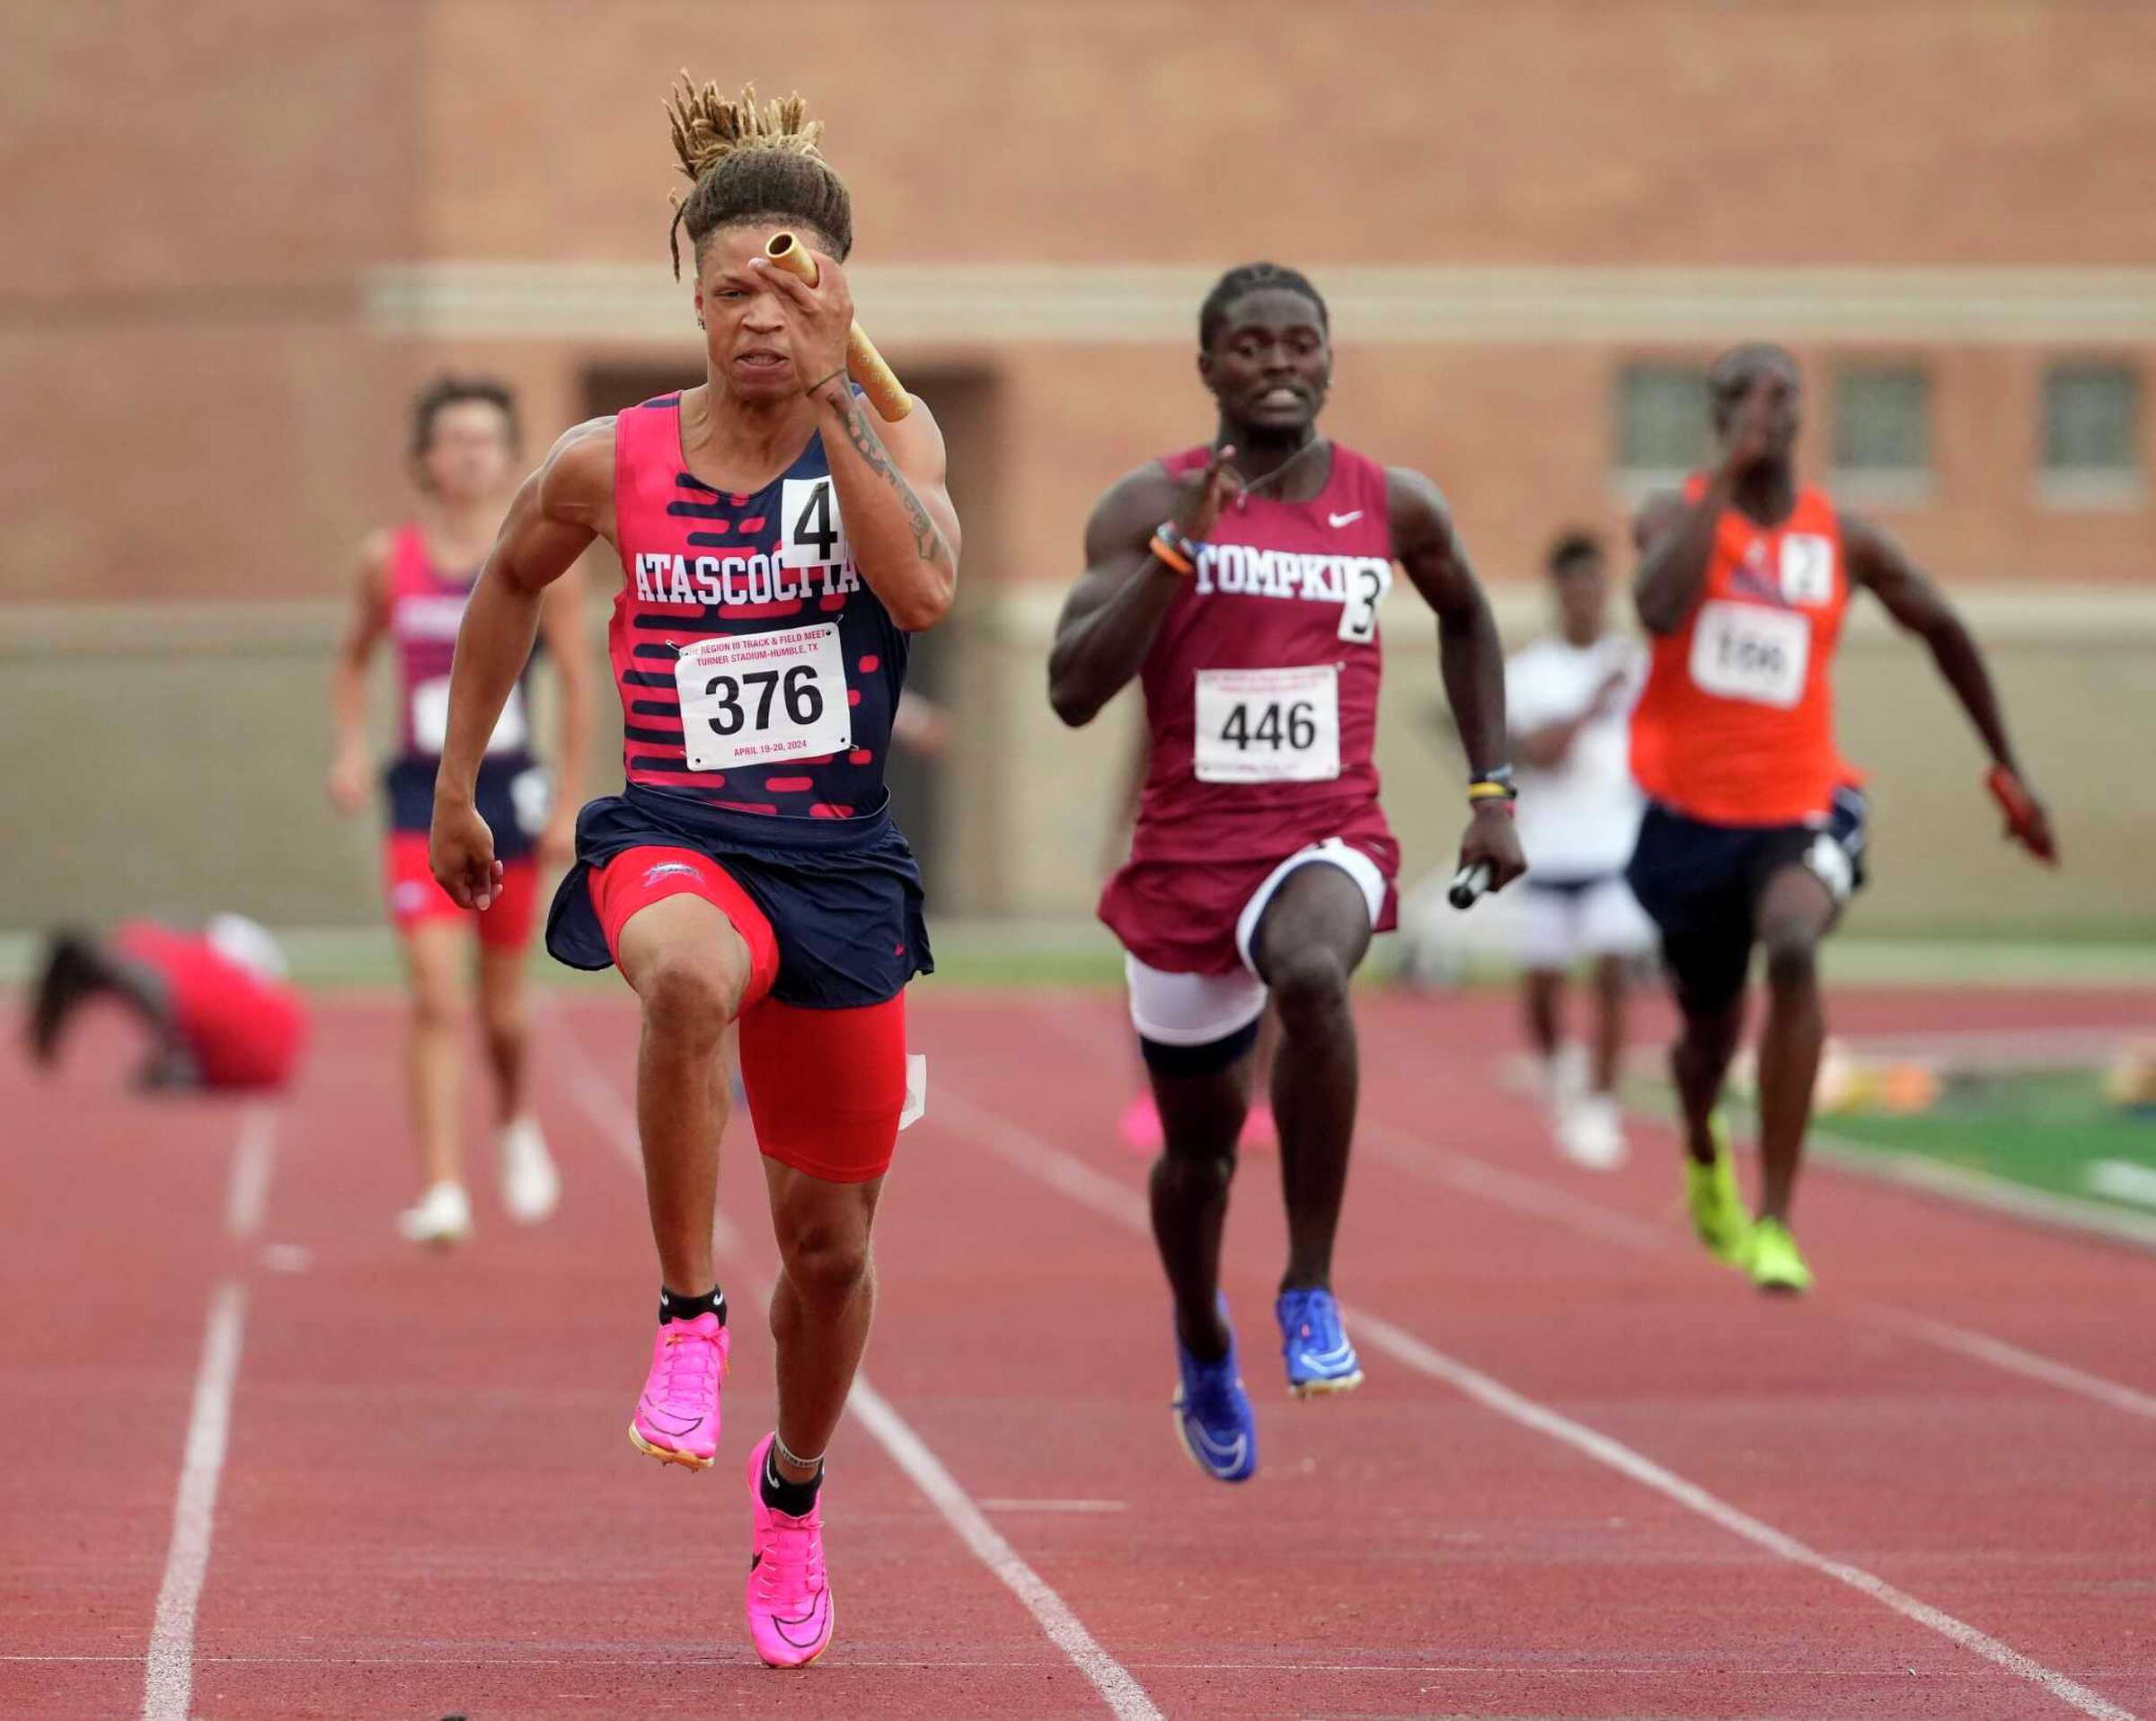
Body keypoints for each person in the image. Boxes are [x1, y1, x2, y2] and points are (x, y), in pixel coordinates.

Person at [428, 79, 958, 1668]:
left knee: (834, 1249)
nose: (756, 319)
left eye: (788, 291)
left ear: (837, 299)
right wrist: (461, 785)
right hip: (680, 838)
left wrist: (853, 387)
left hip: (842, 870)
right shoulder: (616, 458)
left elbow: (922, 589)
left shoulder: (893, 434)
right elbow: (507, 583)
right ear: (694, 297)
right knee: (683, 977)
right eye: (729, 289)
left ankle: (792, 1493)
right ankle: (682, 1316)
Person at [1049, 261, 1524, 1482]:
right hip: (1186, 861)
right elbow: (1070, 691)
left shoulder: (1391, 505)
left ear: (1328, 359)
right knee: (1196, 1158)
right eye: (1249, 346)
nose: (1277, 363)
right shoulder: (1144, 503)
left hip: (1328, 838)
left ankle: (1309, 1285)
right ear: (1208, 368)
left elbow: (1469, 616)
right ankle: (1203, 1336)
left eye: (1298, 343)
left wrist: (1491, 790)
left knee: (1314, 975)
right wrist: (1171, 559)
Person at [1628, 341, 2056, 1294]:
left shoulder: (1842, 539)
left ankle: (1776, 1217)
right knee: (1704, 1040)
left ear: (1804, 414)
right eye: (1743, 395)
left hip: (1803, 800)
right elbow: (1659, 606)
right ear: (1718, 413)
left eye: (1782, 395)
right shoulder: (1674, 513)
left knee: (1791, 941)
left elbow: (1943, 627)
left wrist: (2010, 771)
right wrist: (1727, 480)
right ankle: (1703, 1145)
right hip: (1689, 823)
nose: (1765, 409)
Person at [329, 376, 588, 1247]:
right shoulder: (386, 560)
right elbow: (352, 660)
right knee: (437, 996)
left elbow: (584, 686)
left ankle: (513, 1116)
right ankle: (442, 1185)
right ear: (425, 458)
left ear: (513, 457)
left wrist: (570, 800)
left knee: (504, 1010)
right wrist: (349, 748)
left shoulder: (544, 556)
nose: (470, 455)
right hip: (418, 793)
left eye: (486, 440)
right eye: (454, 440)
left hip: (510, 789)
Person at [1506, 530, 1654, 1169]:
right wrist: (1594, 702)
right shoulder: (1529, 673)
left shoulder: (1637, 664)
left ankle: (1600, 1102)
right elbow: (1538, 754)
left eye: (1598, 584)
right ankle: (1558, 1063)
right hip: (1546, 847)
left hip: (1615, 849)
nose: (1589, 598)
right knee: (1542, 987)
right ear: (1558, 592)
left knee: (1613, 976)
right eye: (1577, 586)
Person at [27, 916, 307, 1093]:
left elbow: (153, 988)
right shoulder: (192, 958)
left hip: (247, 1055)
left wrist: (170, 1052)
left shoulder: (146, 951)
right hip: (268, 1058)